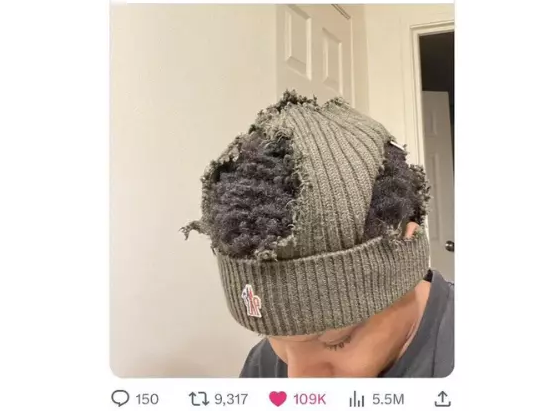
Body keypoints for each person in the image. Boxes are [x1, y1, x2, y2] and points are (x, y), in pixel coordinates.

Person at [182, 91, 454, 378]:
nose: (298, 378)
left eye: (337, 340)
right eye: (275, 334)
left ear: (407, 258)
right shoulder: (261, 366)